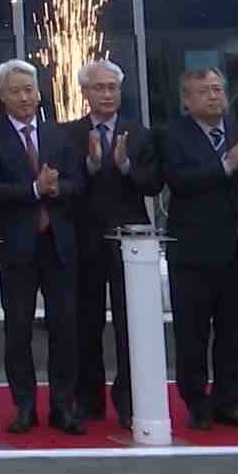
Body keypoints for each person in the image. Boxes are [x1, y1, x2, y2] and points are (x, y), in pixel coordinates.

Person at [158, 65, 238, 431]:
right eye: (204, 91)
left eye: (218, 89)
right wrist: (227, 164)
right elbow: (179, 181)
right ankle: (196, 402)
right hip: (193, 251)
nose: (214, 96)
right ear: (187, 99)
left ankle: (229, 402)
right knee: (192, 333)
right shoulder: (172, 135)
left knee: (236, 333)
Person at [0, 58, 85, 435]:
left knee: (65, 329)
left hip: (59, 244)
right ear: (1, 97)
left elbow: (78, 182)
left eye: (29, 90)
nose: (24, 98)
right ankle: (24, 406)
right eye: (15, 91)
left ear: (39, 93)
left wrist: (56, 188)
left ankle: (63, 406)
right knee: (18, 331)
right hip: (17, 246)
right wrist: (35, 189)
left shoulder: (60, 135)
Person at [65, 59, 157, 430]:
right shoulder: (68, 134)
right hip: (84, 238)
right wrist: (90, 165)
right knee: (85, 323)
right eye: (99, 88)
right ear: (85, 93)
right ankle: (88, 400)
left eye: (112, 87)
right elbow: (66, 185)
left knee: (130, 323)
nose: (106, 94)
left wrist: (125, 166)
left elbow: (154, 183)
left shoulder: (140, 134)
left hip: (130, 242)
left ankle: (129, 399)